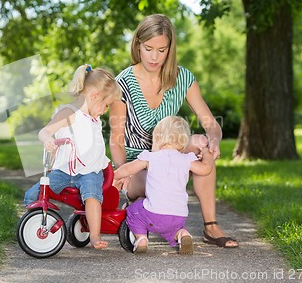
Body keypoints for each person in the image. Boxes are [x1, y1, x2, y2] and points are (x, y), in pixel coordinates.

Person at [109, 14, 238, 248]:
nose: (154, 57)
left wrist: (214, 141)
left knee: (201, 143)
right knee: (151, 176)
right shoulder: (123, 84)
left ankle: (210, 225)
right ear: (137, 44)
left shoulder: (182, 78)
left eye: (162, 50)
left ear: (170, 49)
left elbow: (211, 124)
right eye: (148, 48)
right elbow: (116, 140)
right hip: (139, 163)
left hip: (171, 155)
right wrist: (123, 172)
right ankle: (137, 204)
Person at [24, 64, 122, 249]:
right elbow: (45, 131)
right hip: (63, 171)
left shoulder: (94, 119)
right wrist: (47, 140)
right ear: (95, 96)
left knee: (92, 195)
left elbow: (95, 148)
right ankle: (34, 224)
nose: (105, 110)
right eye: (106, 105)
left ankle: (94, 235)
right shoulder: (69, 113)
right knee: (33, 194)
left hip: (89, 171)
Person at [115, 116, 214, 254]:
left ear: (159, 138)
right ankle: (183, 235)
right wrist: (207, 155)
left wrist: (113, 176)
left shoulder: (150, 157)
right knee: (172, 230)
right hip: (178, 216)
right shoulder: (187, 159)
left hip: (154, 214)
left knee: (132, 211)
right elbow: (206, 169)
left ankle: (141, 239)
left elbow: (127, 169)